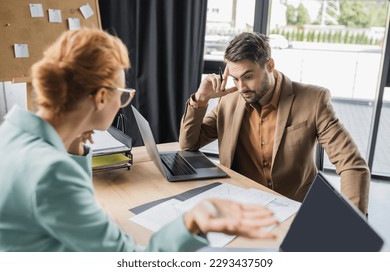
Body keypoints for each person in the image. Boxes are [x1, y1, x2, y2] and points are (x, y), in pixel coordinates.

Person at [0, 29, 278, 252]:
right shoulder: (52, 173)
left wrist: (75, 142)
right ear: (100, 98)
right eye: (122, 96)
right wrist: (192, 221)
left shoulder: (10, 133)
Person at [179, 32, 370, 215]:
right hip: (240, 205)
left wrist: (351, 225)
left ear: (270, 65)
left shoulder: (314, 100)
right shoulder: (229, 101)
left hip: (295, 207)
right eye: (235, 79)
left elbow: (352, 165)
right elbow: (189, 144)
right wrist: (201, 98)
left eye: (248, 77)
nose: (241, 87)